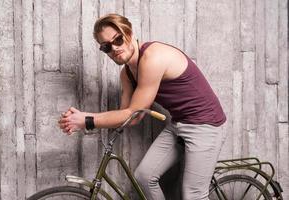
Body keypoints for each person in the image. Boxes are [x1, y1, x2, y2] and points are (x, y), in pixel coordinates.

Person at [59, 13, 227, 200]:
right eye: (106, 46)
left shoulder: (153, 58)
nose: (114, 48)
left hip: (205, 125)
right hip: (179, 123)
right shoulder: (127, 75)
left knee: (193, 195)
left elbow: (130, 113)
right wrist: (82, 120)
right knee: (144, 177)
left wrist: (87, 120)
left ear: (129, 34)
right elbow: (131, 117)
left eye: (118, 39)